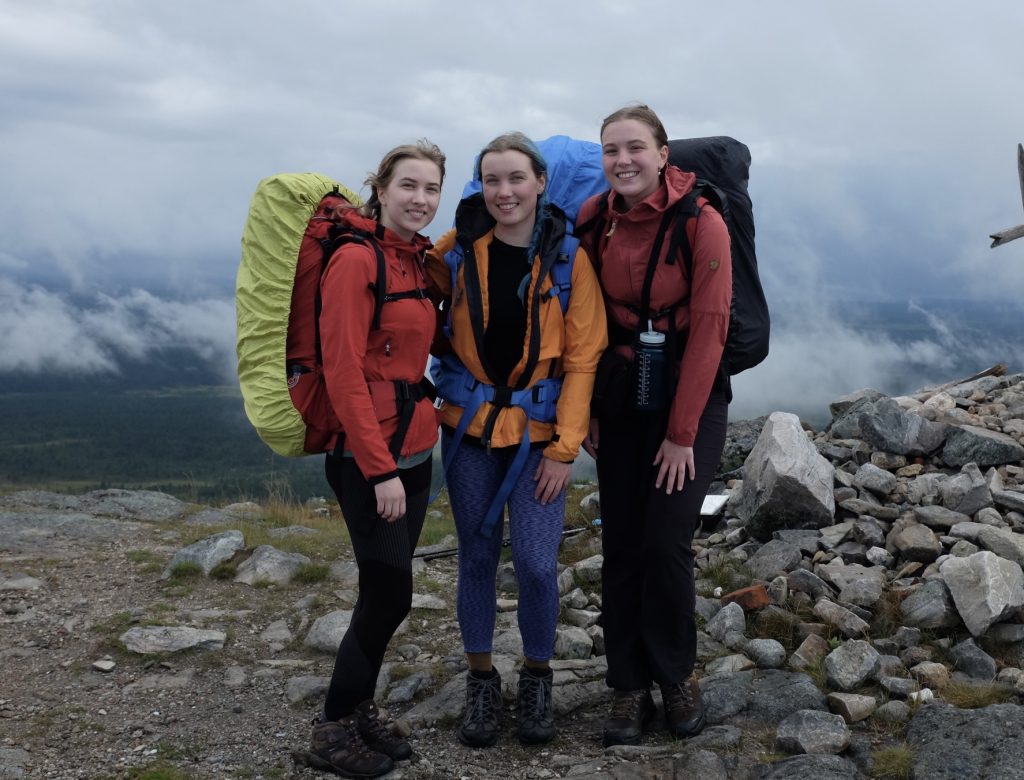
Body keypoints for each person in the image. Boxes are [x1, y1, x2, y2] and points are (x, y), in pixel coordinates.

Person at [425, 132, 607, 747]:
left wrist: (565, 449)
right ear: (482, 186)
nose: (505, 192)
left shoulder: (568, 260)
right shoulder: (456, 253)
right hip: (470, 431)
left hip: (538, 439)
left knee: (534, 564)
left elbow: (583, 359)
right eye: (492, 180)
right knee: (476, 559)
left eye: (516, 179)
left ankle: (536, 676)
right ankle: (481, 680)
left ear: (539, 184)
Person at [578, 105, 732, 746]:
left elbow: (711, 332)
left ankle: (677, 677)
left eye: (635, 147)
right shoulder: (595, 221)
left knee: (665, 544)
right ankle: (627, 687)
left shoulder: (702, 222)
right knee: (622, 548)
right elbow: (580, 325)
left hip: (688, 396)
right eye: (611, 149)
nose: (623, 160)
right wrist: (582, 410)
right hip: (619, 394)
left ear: (663, 154)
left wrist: (682, 433)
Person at [308, 140, 446, 778]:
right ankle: (333, 728)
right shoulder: (356, 261)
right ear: (381, 188)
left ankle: (358, 707)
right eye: (408, 186)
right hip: (374, 458)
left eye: (431, 189)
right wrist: (379, 468)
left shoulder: (416, 259)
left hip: (416, 448)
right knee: (388, 595)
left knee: (386, 590)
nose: (420, 199)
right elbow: (342, 372)